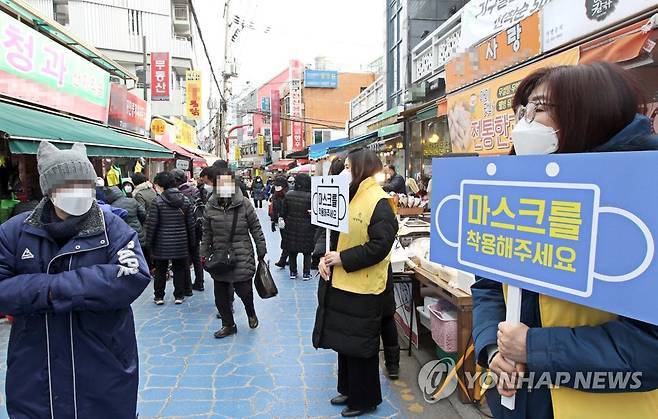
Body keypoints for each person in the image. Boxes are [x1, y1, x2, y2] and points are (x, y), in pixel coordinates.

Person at [473, 62, 658, 419]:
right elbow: (488, 284)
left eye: (539, 109)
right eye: (522, 111)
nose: (524, 124)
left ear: (588, 113)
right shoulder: (514, 190)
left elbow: (649, 346)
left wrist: (535, 347)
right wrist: (492, 351)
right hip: (518, 401)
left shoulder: (642, 195)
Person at [0, 141, 150, 418]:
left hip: (103, 363)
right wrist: (57, 290)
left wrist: (50, 289)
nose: (79, 193)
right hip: (34, 368)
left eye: (85, 185)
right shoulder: (13, 233)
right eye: (69, 186)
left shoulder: (113, 228)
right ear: (50, 190)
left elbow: (132, 276)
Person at [313, 148, 398, 417]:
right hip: (341, 283)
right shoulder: (346, 196)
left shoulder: (379, 201)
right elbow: (333, 237)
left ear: (362, 168)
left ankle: (365, 399)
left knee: (361, 346)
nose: (345, 171)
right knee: (344, 343)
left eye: (349, 167)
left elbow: (381, 245)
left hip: (364, 288)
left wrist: (343, 258)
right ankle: (348, 389)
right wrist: (324, 259)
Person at [201, 168, 267, 338]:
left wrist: (261, 249)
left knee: (244, 290)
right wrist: (203, 252)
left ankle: (250, 312)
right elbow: (207, 232)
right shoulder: (211, 204)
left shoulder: (244, 203)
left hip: (241, 253)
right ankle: (228, 324)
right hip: (219, 255)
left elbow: (256, 228)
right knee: (220, 296)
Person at [145, 171, 196, 305]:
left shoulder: (158, 201)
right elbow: (190, 224)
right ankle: (179, 295)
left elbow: (152, 225)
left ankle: (159, 296)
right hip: (181, 241)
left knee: (161, 269)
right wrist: (192, 242)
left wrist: (148, 243)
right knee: (179, 268)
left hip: (161, 243)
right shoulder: (185, 200)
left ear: (161, 185)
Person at [282, 173, 316, 280]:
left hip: (291, 226)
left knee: (292, 250)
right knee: (307, 252)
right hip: (307, 228)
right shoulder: (311, 196)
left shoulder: (288, 195)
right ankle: (306, 273)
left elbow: (284, 212)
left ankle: (293, 272)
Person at [270, 175, 290, 268]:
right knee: (285, 240)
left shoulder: (288, 195)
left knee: (286, 241)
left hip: (289, 221)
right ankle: (289, 258)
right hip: (281, 222)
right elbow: (274, 209)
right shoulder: (275, 195)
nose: (277, 187)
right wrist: (273, 221)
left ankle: (283, 260)